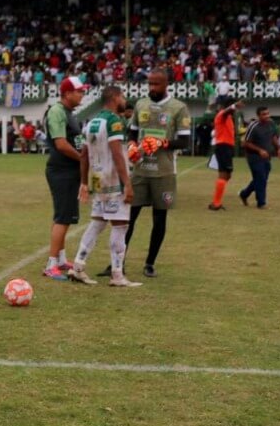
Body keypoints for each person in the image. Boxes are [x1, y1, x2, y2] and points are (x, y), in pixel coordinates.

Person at [117, 68, 191, 278]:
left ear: (167, 84)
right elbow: (132, 133)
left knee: (159, 219)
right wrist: (132, 145)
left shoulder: (178, 108)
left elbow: (184, 141)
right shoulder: (141, 104)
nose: (152, 88)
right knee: (128, 218)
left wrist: (162, 143)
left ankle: (150, 263)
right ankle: (118, 262)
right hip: (140, 170)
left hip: (164, 172)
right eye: (150, 83)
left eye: (156, 84)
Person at [71, 86, 141, 287]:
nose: (125, 100)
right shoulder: (114, 122)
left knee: (98, 223)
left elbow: (84, 155)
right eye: (123, 96)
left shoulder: (91, 122)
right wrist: (127, 184)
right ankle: (117, 275)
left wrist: (84, 182)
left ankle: (78, 266)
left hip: (97, 181)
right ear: (115, 97)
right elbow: (117, 154)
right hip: (113, 182)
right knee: (120, 225)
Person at [42, 76, 87, 280]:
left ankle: (59, 259)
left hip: (69, 170)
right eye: (79, 91)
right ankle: (51, 264)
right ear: (67, 93)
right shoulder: (57, 111)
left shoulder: (69, 113)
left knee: (64, 216)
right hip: (62, 170)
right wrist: (81, 158)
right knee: (62, 217)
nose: (82, 95)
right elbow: (60, 143)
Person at [239, 106, 280, 209]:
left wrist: (278, 149)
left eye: (268, 113)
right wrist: (260, 150)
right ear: (258, 116)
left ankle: (244, 194)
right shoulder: (253, 126)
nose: (267, 116)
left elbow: (273, 137)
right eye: (264, 114)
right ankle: (261, 203)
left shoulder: (271, 123)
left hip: (266, 156)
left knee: (261, 179)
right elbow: (245, 143)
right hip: (253, 156)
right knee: (261, 178)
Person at [208, 96, 244, 211]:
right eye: (234, 107)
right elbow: (226, 112)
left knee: (227, 175)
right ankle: (216, 203)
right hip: (223, 147)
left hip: (226, 147)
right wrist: (234, 106)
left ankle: (216, 201)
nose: (236, 110)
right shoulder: (222, 114)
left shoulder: (228, 117)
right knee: (224, 175)